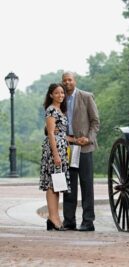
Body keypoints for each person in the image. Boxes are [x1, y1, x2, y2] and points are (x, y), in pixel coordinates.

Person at [62, 71, 100, 232]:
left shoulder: (86, 97)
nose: (67, 83)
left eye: (69, 80)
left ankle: (88, 221)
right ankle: (69, 221)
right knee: (69, 185)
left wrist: (89, 138)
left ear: (75, 81)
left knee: (86, 184)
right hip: (67, 147)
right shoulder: (60, 99)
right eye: (64, 81)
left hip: (84, 147)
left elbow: (95, 121)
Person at [40, 83, 74, 231]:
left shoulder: (60, 110)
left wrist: (75, 140)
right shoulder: (51, 111)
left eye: (62, 93)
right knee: (52, 184)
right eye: (57, 93)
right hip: (54, 150)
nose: (60, 95)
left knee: (57, 184)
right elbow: (51, 134)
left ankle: (54, 218)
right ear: (51, 95)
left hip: (61, 149)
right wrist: (55, 155)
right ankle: (53, 218)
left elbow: (61, 134)